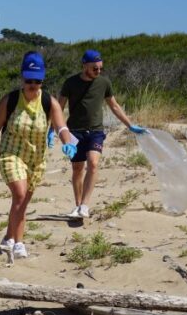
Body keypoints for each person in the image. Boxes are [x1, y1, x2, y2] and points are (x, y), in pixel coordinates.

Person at [0, 51, 77, 260]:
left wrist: (67, 142)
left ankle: (8, 237)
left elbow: (61, 127)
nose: (33, 85)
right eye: (29, 80)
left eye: (37, 81)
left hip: (36, 160)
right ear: (22, 78)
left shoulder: (49, 102)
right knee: (20, 195)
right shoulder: (10, 100)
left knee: (21, 203)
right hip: (11, 153)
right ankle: (19, 243)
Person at [57, 49, 147, 219]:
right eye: (95, 68)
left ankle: (85, 206)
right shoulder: (70, 83)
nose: (98, 71)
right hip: (75, 132)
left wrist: (130, 125)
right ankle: (78, 206)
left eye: (100, 68)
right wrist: (52, 130)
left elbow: (114, 106)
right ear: (84, 66)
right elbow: (58, 108)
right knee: (77, 169)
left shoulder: (104, 83)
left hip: (96, 131)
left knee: (93, 163)